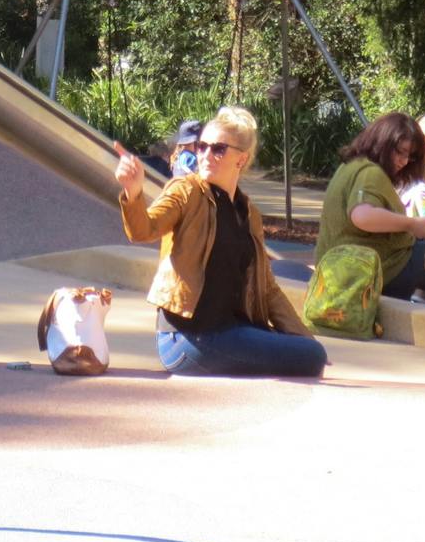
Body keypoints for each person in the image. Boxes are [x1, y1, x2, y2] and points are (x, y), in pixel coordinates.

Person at [113, 106, 327, 378]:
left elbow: (267, 288)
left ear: (241, 159)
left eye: (218, 149)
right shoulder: (186, 191)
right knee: (311, 357)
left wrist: (303, 337)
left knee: (309, 350)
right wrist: (133, 193)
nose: (205, 155)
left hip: (230, 329)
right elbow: (143, 230)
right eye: (201, 146)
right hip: (189, 337)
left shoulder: (248, 212)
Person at [316, 112, 425, 300]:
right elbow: (363, 216)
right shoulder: (370, 172)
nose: (403, 162)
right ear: (383, 142)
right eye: (400, 152)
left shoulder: (350, 166)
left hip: (343, 271)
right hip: (372, 272)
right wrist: (412, 224)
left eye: (409, 156)